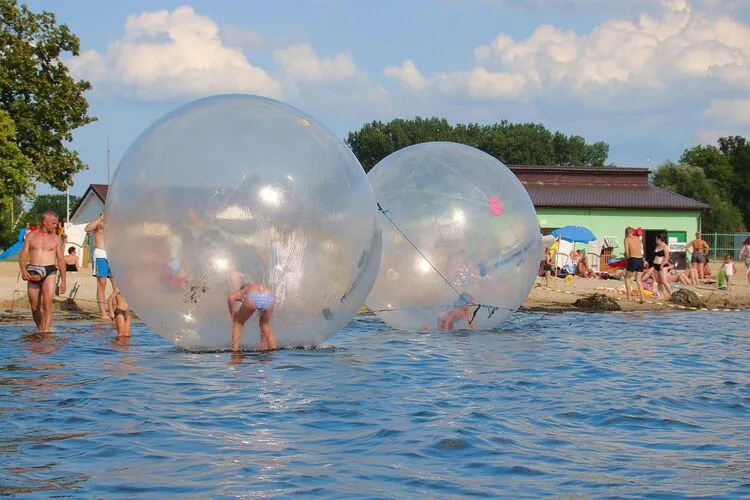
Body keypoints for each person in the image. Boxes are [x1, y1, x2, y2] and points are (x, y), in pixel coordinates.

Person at [18, 209, 67, 332]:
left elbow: (61, 260)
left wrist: (64, 281)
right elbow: (23, 254)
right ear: (45, 222)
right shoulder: (31, 236)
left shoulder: (56, 239)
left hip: (49, 270)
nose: (56, 225)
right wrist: (23, 269)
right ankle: (42, 330)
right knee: (34, 307)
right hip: (33, 270)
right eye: (53, 223)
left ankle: (45, 334)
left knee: (47, 304)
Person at [228, 282, 277, 352]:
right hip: (269, 297)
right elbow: (261, 300)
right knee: (265, 324)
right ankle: (273, 348)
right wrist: (262, 342)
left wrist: (232, 313)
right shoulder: (258, 286)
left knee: (238, 323)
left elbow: (231, 298)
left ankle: (235, 349)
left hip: (253, 296)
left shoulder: (244, 291)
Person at [85, 213, 115, 320]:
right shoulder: (98, 224)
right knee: (102, 283)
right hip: (100, 254)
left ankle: (112, 310)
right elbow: (87, 229)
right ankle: (103, 312)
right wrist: (100, 219)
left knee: (116, 286)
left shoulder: (113, 224)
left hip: (112, 255)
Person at [623, 226, 645, 303]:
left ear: (626, 233)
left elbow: (627, 251)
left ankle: (629, 297)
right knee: (639, 280)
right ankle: (642, 297)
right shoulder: (637, 239)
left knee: (627, 278)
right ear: (632, 232)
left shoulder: (626, 239)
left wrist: (626, 260)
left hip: (633, 259)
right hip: (640, 260)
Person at [652, 233, 672, 299]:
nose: (655, 240)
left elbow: (667, 257)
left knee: (664, 281)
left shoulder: (665, 247)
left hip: (662, 265)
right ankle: (661, 295)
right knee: (658, 281)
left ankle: (671, 294)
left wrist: (662, 265)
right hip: (656, 265)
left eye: (656, 239)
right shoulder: (657, 246)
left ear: (660, 239)